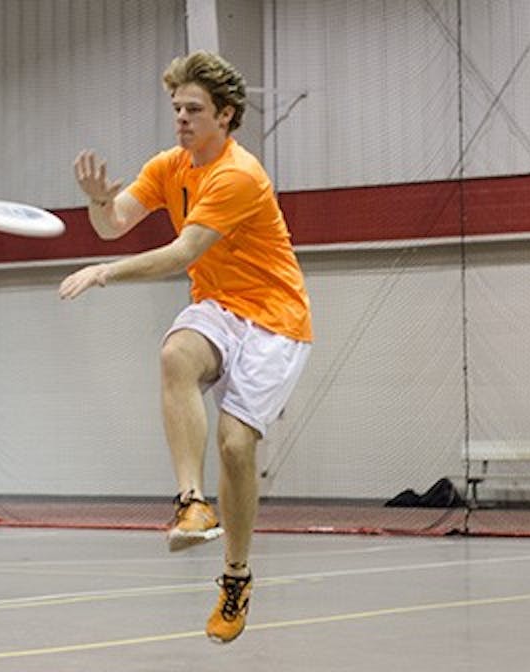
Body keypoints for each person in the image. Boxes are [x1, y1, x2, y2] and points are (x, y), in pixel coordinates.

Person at [59, 51, 312, 644]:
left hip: (275, 320)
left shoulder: (238, 174)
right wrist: (98, 199)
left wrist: (105, 272)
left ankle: (236, 574)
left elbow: (180, 254)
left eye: (193, 109)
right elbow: (114, 221)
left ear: (225, 117)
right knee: (175, 353)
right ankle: (192, 504)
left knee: (234, 446)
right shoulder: (171, 166)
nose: (180, 118)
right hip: (220, 306)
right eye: (175, 107)